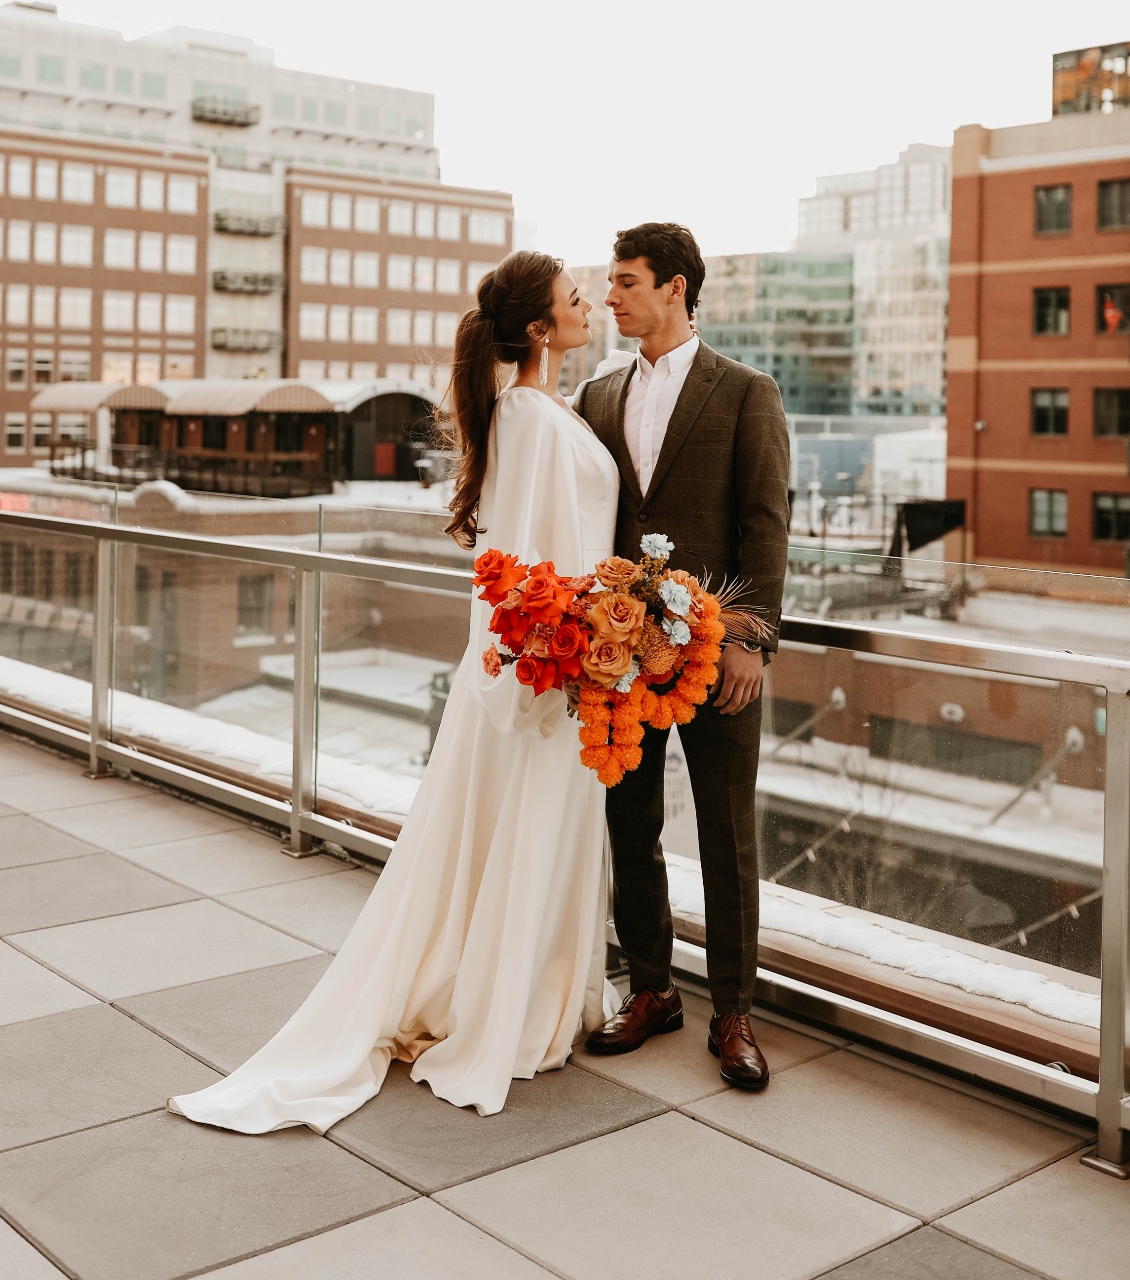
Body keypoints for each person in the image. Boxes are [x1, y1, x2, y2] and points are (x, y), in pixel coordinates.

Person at [168, 250, 618, 1133]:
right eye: (574, 299)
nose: (589, 307)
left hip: (577, 664)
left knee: (540, 833)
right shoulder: (527, 417)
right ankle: (503, 1008)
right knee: (519, 830)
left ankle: (537, 996)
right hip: (546, 672)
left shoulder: (546, 409)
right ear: (539, 328)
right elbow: (519, 562)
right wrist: (549, 662)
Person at [575, 222, 789, 1089]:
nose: (611, 296)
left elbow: (765, 525)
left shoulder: (746, 392)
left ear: (675, 288)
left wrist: (751, 641)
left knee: (728, 834)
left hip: (719, 656)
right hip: (621, 659)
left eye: (625, 282)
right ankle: (653, 988)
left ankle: (733, 1011)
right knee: (629, 827)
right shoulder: (594, 397)